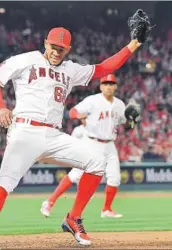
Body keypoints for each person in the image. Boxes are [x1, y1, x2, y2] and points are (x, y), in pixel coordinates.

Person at [0, 22, 146, 247]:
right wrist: (1, 107)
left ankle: (73, 218)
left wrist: (134, 44)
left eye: (61, 48)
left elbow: (104, 68)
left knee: (97, 163)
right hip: (25, 130)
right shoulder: (26, 59)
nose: (56, 51)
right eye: (53, 46)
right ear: (45, 43)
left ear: (68, 50)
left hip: (54, 135)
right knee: (5, 180)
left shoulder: (71, 70)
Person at [40, 74, 141, 219]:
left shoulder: (119, 104)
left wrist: (132, 122)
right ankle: (49, 202)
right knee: (76, 174)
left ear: (115, 86)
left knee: (115, 178)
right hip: (92, 143)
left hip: (109, 145)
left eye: (111, 84)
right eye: (105, 84)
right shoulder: (92, 101)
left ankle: (106, 209)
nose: (108, 86)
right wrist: (79, 116)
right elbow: (72, 111)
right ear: (101, 86)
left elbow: (125, 124)